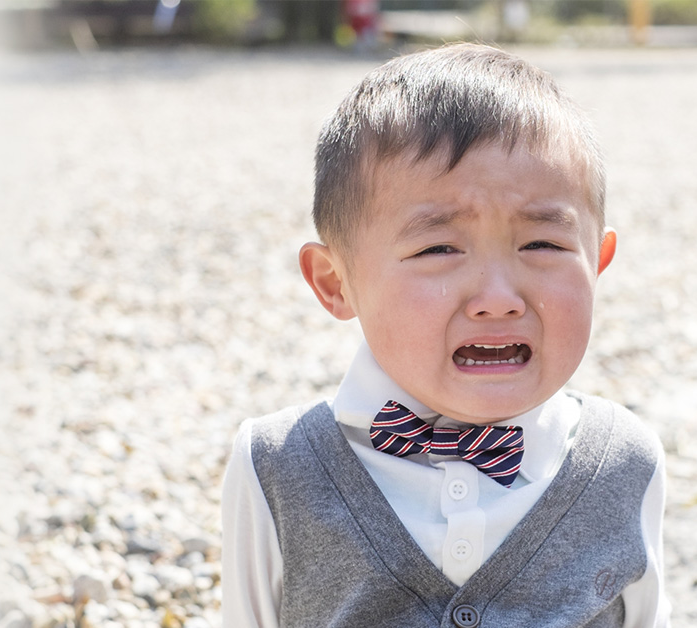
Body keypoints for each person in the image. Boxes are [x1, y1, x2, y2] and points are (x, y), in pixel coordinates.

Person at [220, 43, 671, 628]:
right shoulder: (277, 466)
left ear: (597, 261)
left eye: (543, 244)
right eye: (438, 248)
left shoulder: (623, 461)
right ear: (335, 283)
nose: (498, 299)